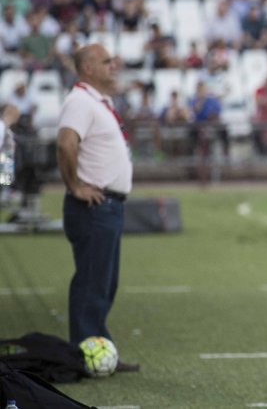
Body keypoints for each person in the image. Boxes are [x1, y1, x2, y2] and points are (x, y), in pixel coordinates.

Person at [56, 44, 139, 372]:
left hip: (107, 205)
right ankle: (85, 353)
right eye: (106, 61)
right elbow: (65, 142)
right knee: (93, 281)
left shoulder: (94, 102)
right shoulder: (79, 101)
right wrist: (75, 185)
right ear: (87, 67)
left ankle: (98, 347)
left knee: (102, 282)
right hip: (94, 205)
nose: (114, 66)